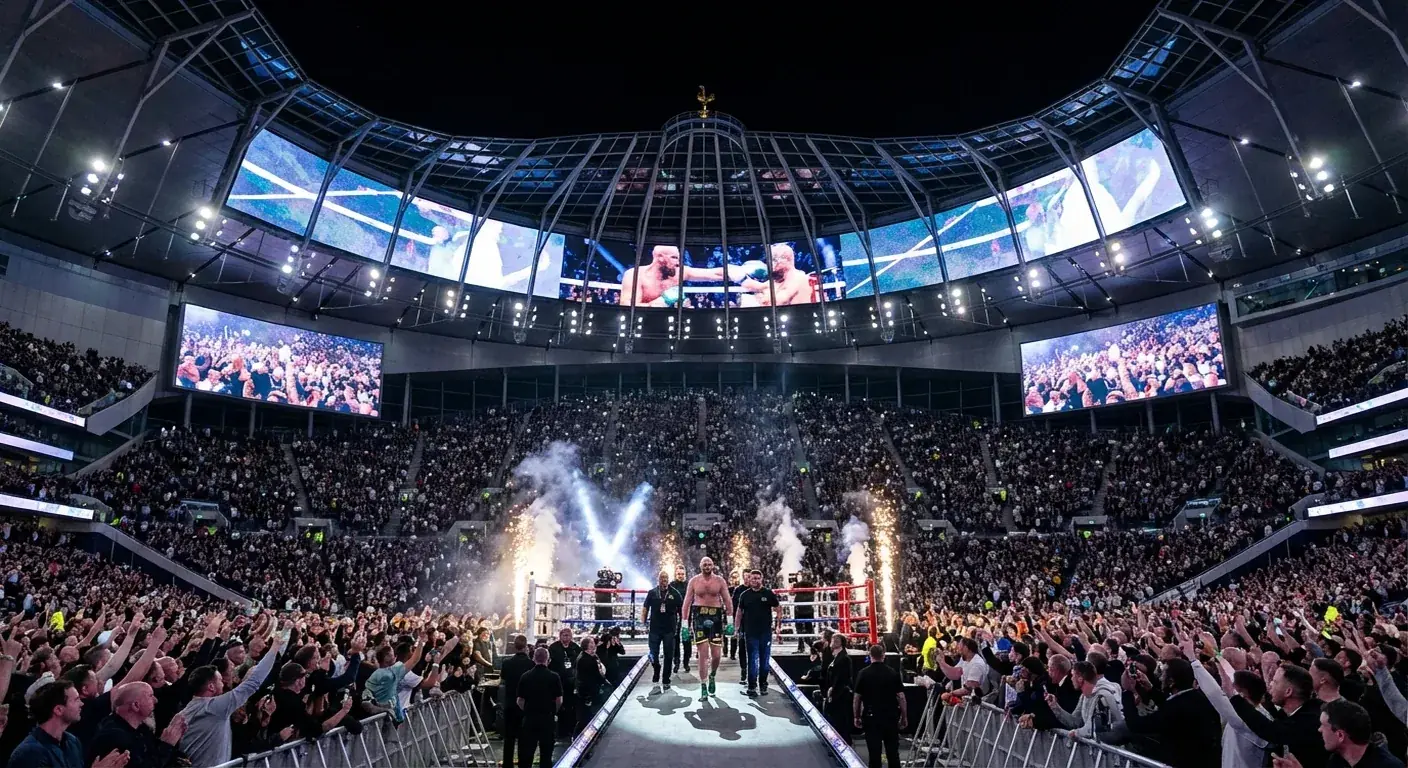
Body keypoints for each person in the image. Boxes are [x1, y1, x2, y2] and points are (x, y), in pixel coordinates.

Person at [178, 618, 286, 767]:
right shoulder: (214, 707)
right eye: (219, 680)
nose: (223, 683)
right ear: (211, 687)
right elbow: (253, 683)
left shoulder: (186, 710)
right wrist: (274, 649)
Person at [1118, 657, 1222, 767]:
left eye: (1163, 674)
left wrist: (1127, 691)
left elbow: (1136, 725)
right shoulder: (1198, 698)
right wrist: (1151, 689)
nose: (1160, 678)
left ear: (1172, 681)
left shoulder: (1177, 708)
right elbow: (1169, 705)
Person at [1231, 663, 1328, 768]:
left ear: (1288, 692)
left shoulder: (1311, 719)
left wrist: (1234, 696)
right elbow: (1276, 716)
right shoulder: (1297, 711)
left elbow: (1270, 729)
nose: (1271, 684)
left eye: (1275, 682)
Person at [1273, 699, 1404, 768]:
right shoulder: (1337, 760)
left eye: (1323, 725)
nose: (1319, 730)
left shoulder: (1388, 766)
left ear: (1340, 735)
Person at [87, 683, 187, 768]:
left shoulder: (141, 728)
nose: (155, 700)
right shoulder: (114, 736)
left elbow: (154, 754)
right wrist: (167, 745)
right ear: (135, 705)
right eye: (150, 696)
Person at [681, 556, 735, 702]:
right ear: (700, 566)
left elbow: (728, 601)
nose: (707, 566)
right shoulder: (694, 581)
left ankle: (712, 676)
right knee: (703, 654)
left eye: (709, 564)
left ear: (713, 565)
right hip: (699, 617)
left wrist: (730, 622)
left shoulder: (720, 581)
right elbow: (686, 603)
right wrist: (684, 626)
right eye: (704, 564)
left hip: (715, 616)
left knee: (716, 655)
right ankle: (703, 685)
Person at [9, 681, 97, 768]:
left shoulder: (72, 742)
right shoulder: (29, 754)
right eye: (76, 700)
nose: (82, 704)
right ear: (58, 710)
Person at [617, 245, 730, 307]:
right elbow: (626, 305)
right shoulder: (635, 275)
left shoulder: (679, 272)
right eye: (674, 258)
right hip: (641, 323)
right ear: (660, 257)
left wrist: (737, 273)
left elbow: (713, 274)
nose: (678, 263)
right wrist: (660, 302)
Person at [853, 643, 906, 768]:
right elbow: (901, 697)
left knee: (874, 754)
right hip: (890, 716)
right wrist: (904, 716)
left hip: (871, 716)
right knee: (893, 753)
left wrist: (856, 716)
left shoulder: (863, 673)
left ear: (870, 655)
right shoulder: (893, 673)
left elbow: (857, 698)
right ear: (883, 655)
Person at [733, 569, 780, 697]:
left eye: (758, 578)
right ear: (749, 579)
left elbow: (778, 608)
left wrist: (778, 625)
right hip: (750, 633)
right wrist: (736, 628)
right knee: (752, 659)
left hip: (765, 632)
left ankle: (763, 685)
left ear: (761, 579)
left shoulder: (768, 593)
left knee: (765, 660)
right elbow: (739, 612)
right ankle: (752, 687)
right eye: (753, 578)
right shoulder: (744, 595)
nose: (755, 581)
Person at [516, 647, 563, 768]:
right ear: (548, 660)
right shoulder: (554, 676)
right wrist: (554, 711)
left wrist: (527, 710)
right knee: (546, 754)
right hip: (547, 718)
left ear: (534, 659)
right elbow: (559, 700)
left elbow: (520, 700)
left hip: (530, 719)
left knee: (527, 753)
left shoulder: (525, 676)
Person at [736, 244, 813, 306]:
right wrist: (740, 277)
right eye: (770, 260)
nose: (770, 263)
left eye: (774, 259)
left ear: (787, 260)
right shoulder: (779, 279)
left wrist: (760, 296)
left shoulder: (798, 278)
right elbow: (757, 286)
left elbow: (774, 302)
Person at [641, 570, 682, 689]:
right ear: (658, 579)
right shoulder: (652, 593)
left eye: (666, 578)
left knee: (669, 654)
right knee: (653, 653)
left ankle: (666, 678)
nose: (664, 580)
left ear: (668, 579)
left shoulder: (675, 593)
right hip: (655, 628)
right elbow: (645, 607)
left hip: (669, 628)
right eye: (661, 578)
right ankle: (656, 668)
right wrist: (643, 622)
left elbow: (682, 609)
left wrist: (683, 624)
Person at [500, 635, 533, 768]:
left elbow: (503, 680)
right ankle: (523, 764)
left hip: (510, 703)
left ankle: (507, 764)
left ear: (514, 646)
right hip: (525, 705)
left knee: (509, 738)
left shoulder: (506, 663)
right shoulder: (531, 664)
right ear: (526, 647)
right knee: (524, 738)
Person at [547, 628, 580, 739]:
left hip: (571, 681)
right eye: (564, 635)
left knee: (571, 706)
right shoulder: (553, 648)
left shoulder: (575, 648)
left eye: (568, 635)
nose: (566, 637)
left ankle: (570, 729)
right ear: (560, 636)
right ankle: (560, 731)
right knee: (559, 706)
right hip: (558, 680)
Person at [574, 637, 607, 735]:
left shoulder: (591, 657)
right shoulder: (585, 659)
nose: (594, 644)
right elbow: (595, 675)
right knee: (586, 717)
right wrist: (605, 682)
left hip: (590, 691)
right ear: (587, 645)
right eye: (592, 642)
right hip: (588, 693)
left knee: (587, 715)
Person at [825, 634, 854, 743]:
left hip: (840, 694)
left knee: (841, 721)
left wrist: (833, 691)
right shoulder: (837, 657)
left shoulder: (844, 659)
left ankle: (843, 742)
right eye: (833, 639)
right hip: (837, 693)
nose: (833, 641)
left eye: (836, 640)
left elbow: (841, 677)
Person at [669, 566, 691, 674]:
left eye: (682, 574)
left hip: (686, 615)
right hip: (674, 615)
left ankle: (686, 662)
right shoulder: (671, 585)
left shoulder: (689, 585)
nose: (681, 576)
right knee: (675, 639)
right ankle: (676, 662)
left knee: (686, 640)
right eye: (679, 574)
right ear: (675, 574)